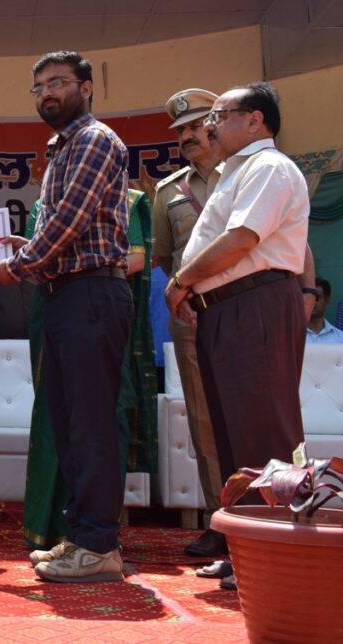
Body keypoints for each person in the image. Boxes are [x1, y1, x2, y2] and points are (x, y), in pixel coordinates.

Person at [0, 51, 131, 583]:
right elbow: (64, 229)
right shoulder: (61, 147)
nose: (47, 93)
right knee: (71, 425)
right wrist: (27, 250)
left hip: (91, 293)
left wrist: (16, 266)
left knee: (90, 423)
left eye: (58, 82)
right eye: (39, 87)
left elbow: (70, 220)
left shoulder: (94, 139)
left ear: (87, 87)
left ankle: (99, 546)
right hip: (65, 292)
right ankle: (81, 536)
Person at [165, 82, 309, 590]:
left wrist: (181, 281)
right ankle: (244, 549)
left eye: (219, 115)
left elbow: (242, 238)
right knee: (232, 434)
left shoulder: (268, 167)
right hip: (224, 308)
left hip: (256, 303)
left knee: (263, 431)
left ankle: (278, 554)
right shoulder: (235, 171)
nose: (209, 126)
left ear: (254, 120)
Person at [21, 188, 157, 553]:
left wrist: (69, 263)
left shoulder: (122, 199)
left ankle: (97, 537)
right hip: (56, 310)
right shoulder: (43, 205)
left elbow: (136, 258)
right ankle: (64, 531)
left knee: (97, 421)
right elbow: (33, 260)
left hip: (95, 309)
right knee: (58, 420)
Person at [151, 88, 227, 557]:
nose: (187, 136)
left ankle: (262, 518)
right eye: (181, 130)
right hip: (191, 318)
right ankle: (220, 521)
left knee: (248, 415)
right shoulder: (168, 192)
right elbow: (164, 257)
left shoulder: (246, 175)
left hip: (244, 312)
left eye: (196, 126)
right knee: (203, 422)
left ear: (217, 125)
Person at [306, 278, 343, 343]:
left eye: (317, 297)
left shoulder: (340, 339)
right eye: (308, 297)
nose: (311, 301)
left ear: (327, 300)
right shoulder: (292, 336)